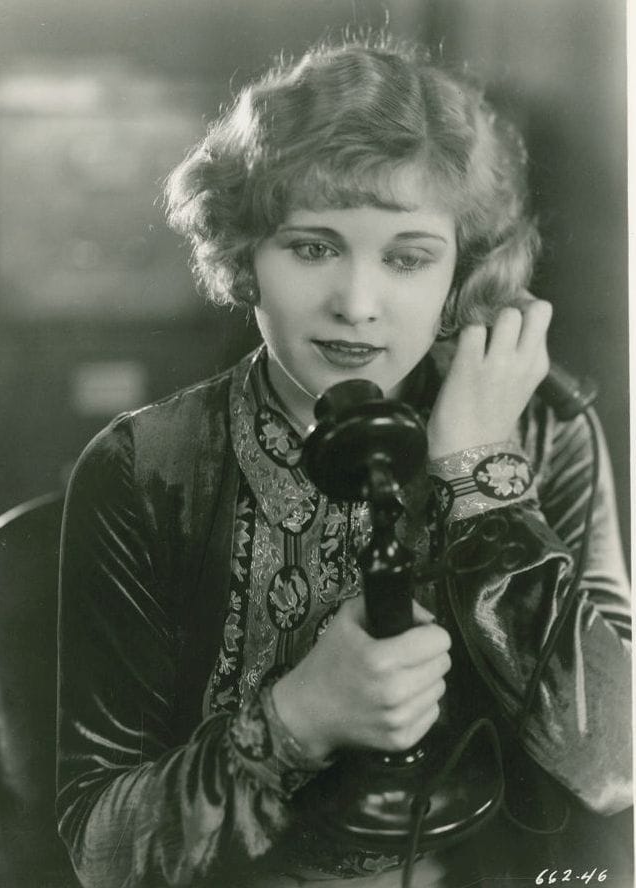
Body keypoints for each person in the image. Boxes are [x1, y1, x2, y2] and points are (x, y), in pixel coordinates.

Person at [55, 37, 631, 888]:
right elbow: (102, 857)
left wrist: (481, 472)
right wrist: (301, 717)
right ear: (245, 252)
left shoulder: (543, 430)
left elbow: (618, 763)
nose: (357, 306)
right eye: (313, 248)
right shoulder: (147, 466)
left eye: (408, 258)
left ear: (461, 275)